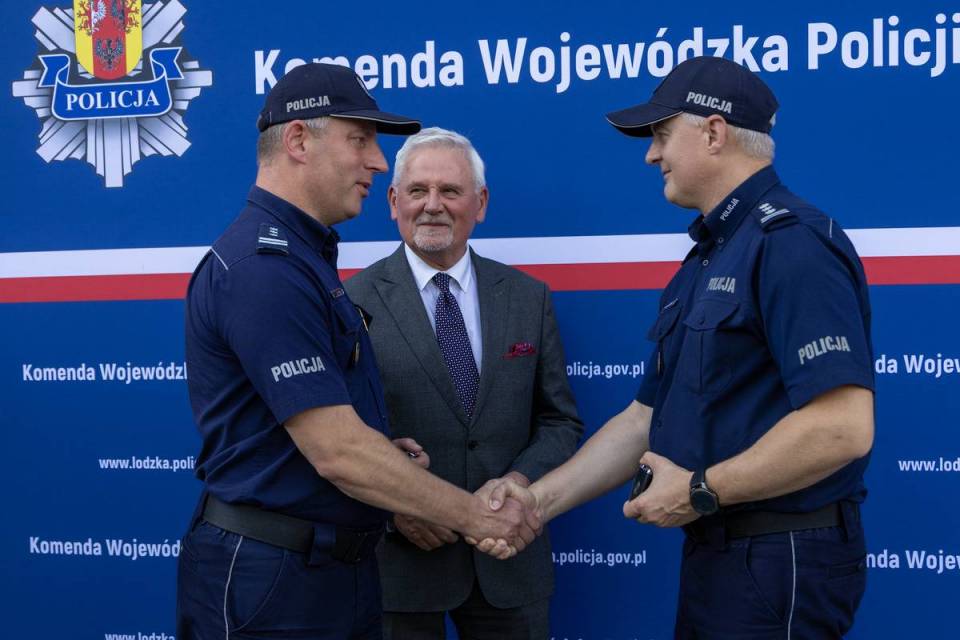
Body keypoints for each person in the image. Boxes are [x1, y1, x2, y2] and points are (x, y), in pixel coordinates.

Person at [480, 56, 875, 638]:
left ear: (713, 132)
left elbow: (842, 428)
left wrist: (699, 490)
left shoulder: (790, 244)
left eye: (662, 135)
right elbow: (644, 419)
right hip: (720, 551)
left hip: (780, 554)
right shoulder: (710, 257)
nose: (651, 155)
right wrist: (535, 502)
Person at [176, 64, 537, 640]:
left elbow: (308, 428)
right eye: (360, 140)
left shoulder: (304, 259)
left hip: (329, 570)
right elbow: (338, 451)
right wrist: (474, 516)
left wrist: (383, 455)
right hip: (275, 581)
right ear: (299, 140)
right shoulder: (263, 270)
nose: (377, 162)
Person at [345, 127, 583, 640]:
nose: (433, 205)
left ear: (481, 203)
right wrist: (395, 508)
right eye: (418, 191)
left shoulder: (527, 297)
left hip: (509, 562)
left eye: (450, 191)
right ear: (394, 202)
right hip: (400, 569)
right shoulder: (351, 302)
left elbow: (559, 421)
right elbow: (338, 439)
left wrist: (520, 484)